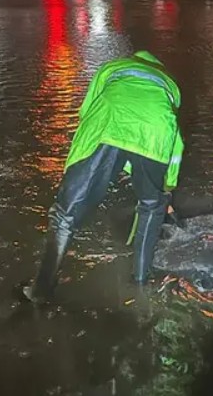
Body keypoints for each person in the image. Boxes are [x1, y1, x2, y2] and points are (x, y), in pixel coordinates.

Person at [22, 50, 184, 303]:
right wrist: (166, 188)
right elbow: (175, 147)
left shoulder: (112, 68)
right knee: (152, 206)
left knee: (65, 214)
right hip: (156, 130)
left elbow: (87, 111)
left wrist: (87, 165)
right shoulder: (169, 85)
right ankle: (140, 285)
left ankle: (41, 290)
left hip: (107, 122)